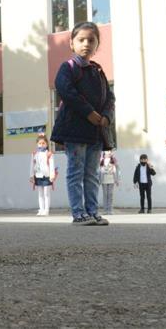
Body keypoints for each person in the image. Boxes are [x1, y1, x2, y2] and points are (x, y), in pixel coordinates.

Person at [50, 21, 115, 226]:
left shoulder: (98, 71)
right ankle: (78, 214)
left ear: (97, 45)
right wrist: (89, 113)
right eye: (81, 40)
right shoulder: (69, 67)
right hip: (75, 131)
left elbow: (109, 98)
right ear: (72, 43)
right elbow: (66, 90)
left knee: (92, 174)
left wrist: (106, 117)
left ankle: (92, 212)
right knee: (76, 173)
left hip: (95, 133)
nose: (86, 44)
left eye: (91, 40)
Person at [29, 134, 57, 216]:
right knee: (40, 194)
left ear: (47, 144)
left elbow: (52, 165)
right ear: (37, 144)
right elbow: (32, 165)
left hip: (47, 176)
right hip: (38, 176)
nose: (41, 145)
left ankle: (46, 210)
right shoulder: (34, 154)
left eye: (43, 143)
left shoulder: (49, 154)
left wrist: (52, 175)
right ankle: (41, 209)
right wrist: (31, 175)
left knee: (46, 194)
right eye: (40, 143)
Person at [99, 149, 120, 215]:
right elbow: (99, 170)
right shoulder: (101, 160)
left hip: (111, 179)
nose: (107, 152)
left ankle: (110, 210)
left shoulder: (114, 160)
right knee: (105, 194)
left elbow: (118, 169)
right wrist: (99, 179)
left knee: (110, 194)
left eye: (109, 151)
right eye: (106, 151)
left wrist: (117, 179)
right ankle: (105, 210)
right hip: (104, 179)